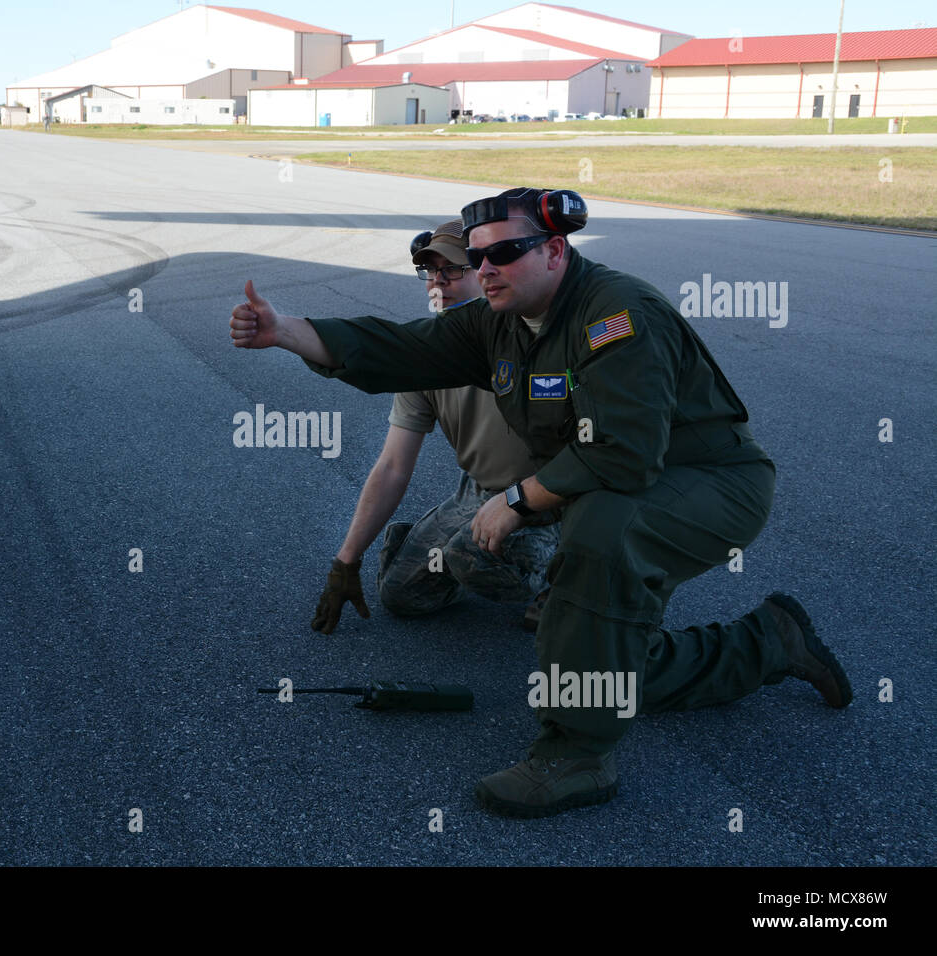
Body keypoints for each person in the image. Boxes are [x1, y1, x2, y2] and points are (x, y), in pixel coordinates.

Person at [230, 186, 852, 818]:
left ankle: (577, 756)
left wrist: (517, 501)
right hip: (618, 478)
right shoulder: (499, 321)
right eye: (476, 258)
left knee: (599, 542)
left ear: (555, 250)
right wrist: (285, 331)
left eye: (504, 252)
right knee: (606, 650)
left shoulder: (617, 314)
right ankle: (769, 643)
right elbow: (402, 347)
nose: (484, 270)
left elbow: (624, 452)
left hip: (710, 480)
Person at [312, 219, 558, 635]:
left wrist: (528, 503)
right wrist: (346, 559)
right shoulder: (426, 354)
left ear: (486, 271)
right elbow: (392, 466)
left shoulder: (536, 340)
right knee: (402, 595)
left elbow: (601, 449)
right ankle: (460, 544)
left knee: (471, 558)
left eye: (452, 270)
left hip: (554, 494)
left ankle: (569, 579)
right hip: (481, 489)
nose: (437, 282)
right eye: (430, 270)